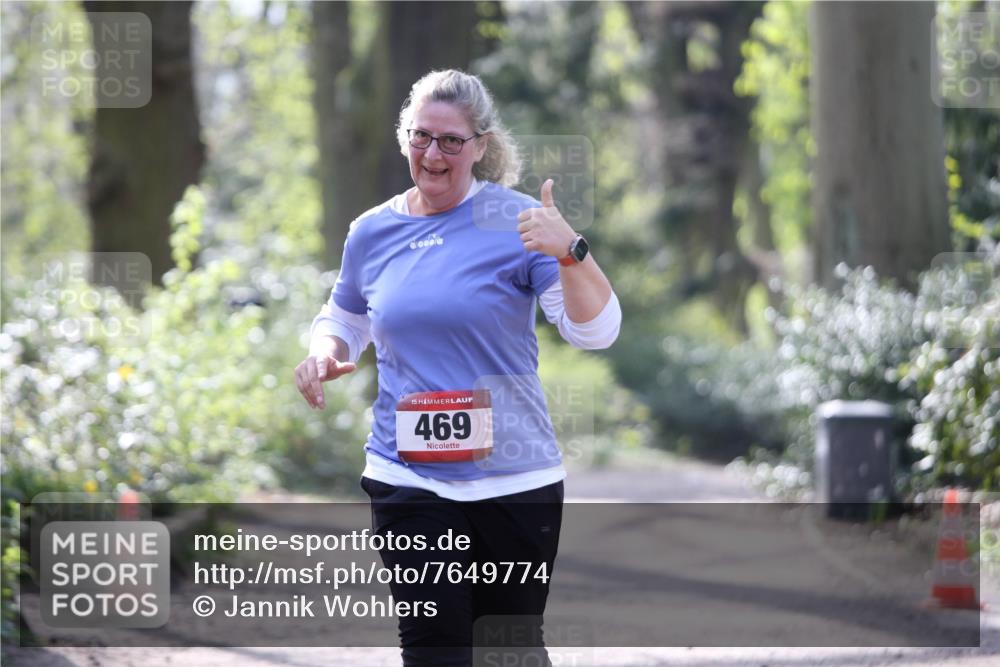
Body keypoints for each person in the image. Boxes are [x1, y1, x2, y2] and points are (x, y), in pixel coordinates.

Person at [295, 69, 621, 667]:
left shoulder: (521, 223)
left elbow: (594, 331)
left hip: (514, 481)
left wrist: (570, 249)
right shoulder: (371, 231)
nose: (434, 154)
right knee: (434, 649)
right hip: (408, 476)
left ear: (480, 146)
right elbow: (345, 315)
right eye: (422, 137)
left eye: (451, 141)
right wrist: (326, 351)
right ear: (404, 138)